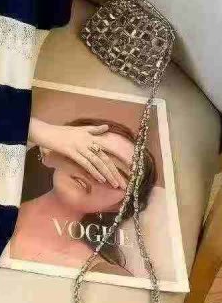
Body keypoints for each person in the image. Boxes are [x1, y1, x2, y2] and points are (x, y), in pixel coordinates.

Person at [8, 117, 156, 275]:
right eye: (90, 154)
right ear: (52, 152)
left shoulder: (104, 273)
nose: (94, 172)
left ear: (119, 206)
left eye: (116, 174)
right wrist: (42, 131)